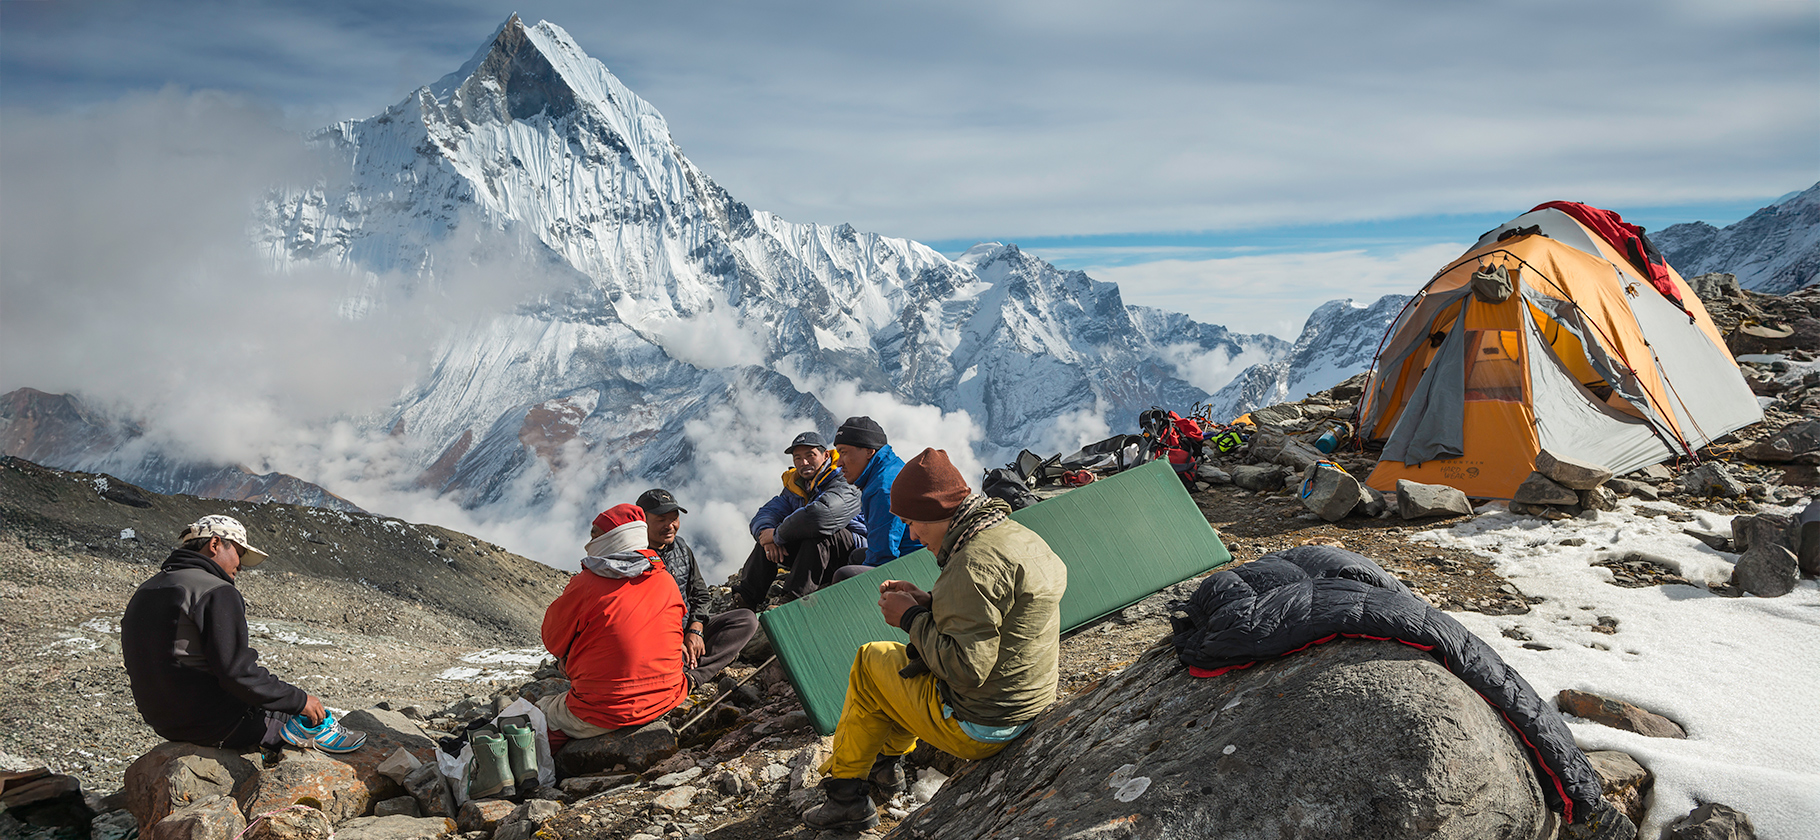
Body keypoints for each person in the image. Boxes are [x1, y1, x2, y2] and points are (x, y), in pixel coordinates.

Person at [801, 449, 1068, 832]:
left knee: (870, 661)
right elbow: (1000, 611)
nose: (912, 533)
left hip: (984, 724)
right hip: (1030, 697)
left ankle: (847, 797)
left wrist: (909, 618)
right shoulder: (1010, 533)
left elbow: (966, 669)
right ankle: (885, 769)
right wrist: (930, 601)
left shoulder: (971, 564)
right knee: (893, 667)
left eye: (913, 522)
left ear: (934, 513)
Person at [122, 515, 365, 753]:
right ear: (215, 544)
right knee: (302, 717)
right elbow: (237, 673)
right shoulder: (215, 590)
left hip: (163, 721)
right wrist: (301, 701)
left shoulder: (147, 589)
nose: (240, 565)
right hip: (213, 722)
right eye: (238, 553)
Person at [539, 504, 689, 747]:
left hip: (606, 710)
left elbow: (552, 638)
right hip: (668, 696)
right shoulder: (665, 579)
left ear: (611, 538)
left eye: (595, 534)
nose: (590, 541)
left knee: (535, 715)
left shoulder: (586, 584)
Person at [636, 488, 759, 690]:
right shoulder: (634, 557)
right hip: (657, 639)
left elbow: (700, 594)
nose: (670, 526)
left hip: (687, 629)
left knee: (746, 620)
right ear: (643, 521)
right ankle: (679, 670)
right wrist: (674, 641)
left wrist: (696, 629)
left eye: (674, 518)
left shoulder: (681, 548)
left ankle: (691, 677)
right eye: (661, 519)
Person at [732, 431, 867, 609]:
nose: (803, 463)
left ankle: (793, 598)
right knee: (765, 540)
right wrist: (766, 533)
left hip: (851, 552)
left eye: (810, 456)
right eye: (797, 458)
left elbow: (821, 516)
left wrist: (777, 535)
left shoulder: (844, 478)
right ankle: (745, 599)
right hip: (815, 557)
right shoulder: (796, 486)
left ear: (825, 455)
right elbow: (768, 512)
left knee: (820, 533)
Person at [828, 416, 922, 584]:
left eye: (844, 453)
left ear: (869, 451)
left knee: (844, 576)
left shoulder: (883, 487)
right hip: (919, 557)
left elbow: (884, 554)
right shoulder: (889, 469)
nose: (839, 463)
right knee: (857, 556)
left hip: (919, 565)